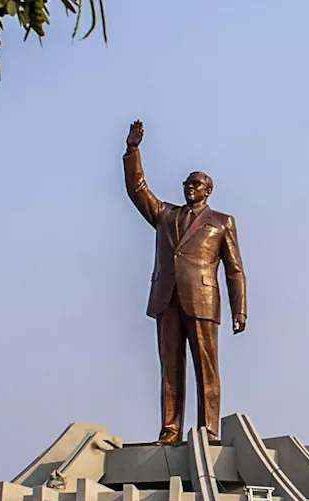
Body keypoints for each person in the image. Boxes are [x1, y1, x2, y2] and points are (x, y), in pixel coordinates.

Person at [123, 120, 247, 443]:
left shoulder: (221, 223)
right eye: (186, 183)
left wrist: (240, 309)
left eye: (195, 184)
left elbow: (234, 269)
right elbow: (138, 191)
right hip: (167, 298)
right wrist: (133, 151)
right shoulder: (166, 215)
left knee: (206, 368)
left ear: (208, 190)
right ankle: (170, 429)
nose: (189, 188)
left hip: (203, 301)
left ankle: (209, 430)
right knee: (170, 369)